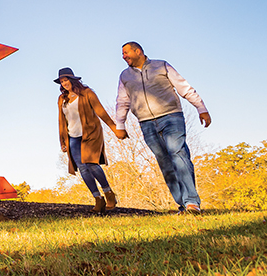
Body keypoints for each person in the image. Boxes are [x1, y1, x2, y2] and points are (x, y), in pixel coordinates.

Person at [115, 42, 211, 214]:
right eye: (122, 54)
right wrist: (120, 124)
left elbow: (184, 87)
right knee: (165, 162)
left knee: (178, 153)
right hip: (146, 123)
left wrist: (201, 108)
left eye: (126, 52)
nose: (124, 56)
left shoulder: (161, 65)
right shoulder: (125, 76)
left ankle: (191, 202)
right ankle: (182, 203)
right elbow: (123, 101)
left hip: (171, 116)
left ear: (138, 51)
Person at [55, 67, 119, 213]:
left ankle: (108, 193)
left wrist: (114, 127)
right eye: (62, 81)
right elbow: (61, 120)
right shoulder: (62, 99)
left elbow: (100, 111)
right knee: (82, 168)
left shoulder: (87, 93)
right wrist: (62, 140)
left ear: (73, 80)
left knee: (91, 163)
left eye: (66, 80)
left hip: (90, 134)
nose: (64, 83)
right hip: (73, 137)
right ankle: (98, 199)